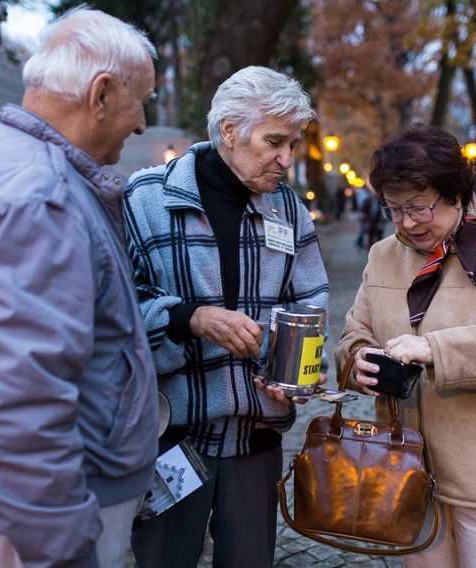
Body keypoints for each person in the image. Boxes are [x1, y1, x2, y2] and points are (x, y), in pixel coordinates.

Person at [0, 8, 162, 568]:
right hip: (32, 526)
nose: (143, 123)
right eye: (139, 99)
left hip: (17, 512)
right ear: (100, 94)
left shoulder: (0, 163)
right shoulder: (38, 200)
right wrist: (63, 551)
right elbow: (16, 412)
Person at [125, 65, 329, 568]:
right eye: (275, 141)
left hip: (255, 439)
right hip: (172, 435)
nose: (287, 158)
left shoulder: (287, 208)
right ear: (230, 130)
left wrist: (297, 369)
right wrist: (188, 319)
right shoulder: (146, 197)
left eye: (293, 143)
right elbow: (116, 308)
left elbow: (311, 298)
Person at [335, 123, 476, 568]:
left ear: (456, 192)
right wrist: (358, 359)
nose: (408, 222)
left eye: (420, 206)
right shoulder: (383, 255)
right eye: (394, 209)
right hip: (406, 466)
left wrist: (435, 348)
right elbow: (353, 334)